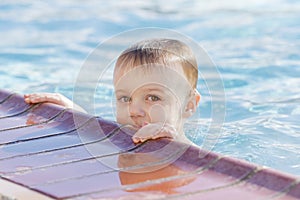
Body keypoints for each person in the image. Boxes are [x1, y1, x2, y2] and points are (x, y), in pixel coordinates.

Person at [24, 38, 200, 144]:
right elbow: (99, 133)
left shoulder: (190, 151)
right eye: (125, 99)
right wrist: (72, 113)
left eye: (152, 97)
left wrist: (175, 142)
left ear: (189, 106)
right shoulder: (123, 135)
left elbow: (207, 169)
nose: (133, 112)